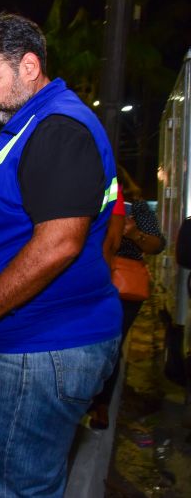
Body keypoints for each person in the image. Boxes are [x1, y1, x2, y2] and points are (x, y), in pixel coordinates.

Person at [0, 13, 121, 497]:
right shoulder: (27, 126)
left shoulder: (59, 127)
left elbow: (59, 243)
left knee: (10, 487)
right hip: (25, 347)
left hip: (38, 348)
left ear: (29, 66)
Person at [89, 166, 165, 429]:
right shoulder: (87, 200)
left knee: (111, 343)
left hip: (123, 284)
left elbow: (157, 245)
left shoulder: (138, 207)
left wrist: (133, 233)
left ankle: (101, 404)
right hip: (91, 278)